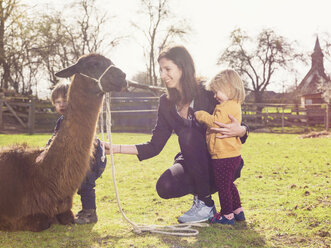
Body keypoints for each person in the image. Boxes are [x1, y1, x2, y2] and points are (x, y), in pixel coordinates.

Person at [106, 46, 248, 223]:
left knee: (187, 135)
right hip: (191, 162)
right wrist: (115, 148)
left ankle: (205, 204)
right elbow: (154, 146)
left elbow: (235, 117)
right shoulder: (166, 103)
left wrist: (241, 130)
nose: (163, 75)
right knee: (164, 186)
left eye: (168, 69)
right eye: (161, 70)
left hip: (221, 161)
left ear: (182, 67)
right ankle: (204, 197)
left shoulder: (208, 90)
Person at [39, 82, 106, 224]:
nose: (61, 105)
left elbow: (88, 135)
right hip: (74, 159)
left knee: (85, 182)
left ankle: (90, 212)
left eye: (65, 101)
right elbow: (54, 139)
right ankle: (62, 210)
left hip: (92, 158)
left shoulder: (80, 117)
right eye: (58, 102)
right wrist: (45, 152)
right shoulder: (61, 122)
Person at [195, 69, 246, 225]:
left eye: (217, 91)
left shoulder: (225, 107)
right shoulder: (234, 104)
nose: (215, 96)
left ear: (229, 87)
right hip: (231, 153)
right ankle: (237, 211)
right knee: (229, 184)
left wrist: (200, 114)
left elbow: (215, 122)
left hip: (223, 155)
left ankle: (227, 215)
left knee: (223, 186)